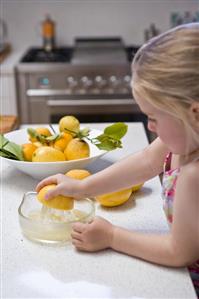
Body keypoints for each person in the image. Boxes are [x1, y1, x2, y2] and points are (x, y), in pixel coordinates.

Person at [36, 23, 199, 296]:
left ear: (195, 113)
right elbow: (147, 161)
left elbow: (178, 252)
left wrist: (112, 237)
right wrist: (82, 187)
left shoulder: (194, 175)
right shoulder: (183, 142)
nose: (150, 126)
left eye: (155, 117)